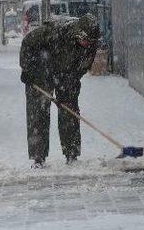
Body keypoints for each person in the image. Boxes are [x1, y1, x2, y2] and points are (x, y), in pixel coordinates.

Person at [19, 14, 100, 168]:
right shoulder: (56, 31)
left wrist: (70, 85)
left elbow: (82, 67)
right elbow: (28, 42)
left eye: (90, 41)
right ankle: (38, 158)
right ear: (79, 33)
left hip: (66, 75)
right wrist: (27, 69)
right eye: (85, 40)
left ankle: (71, 154)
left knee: (70, 111)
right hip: (40, 71)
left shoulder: (91, 44)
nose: (87, 44)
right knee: (38, 112)